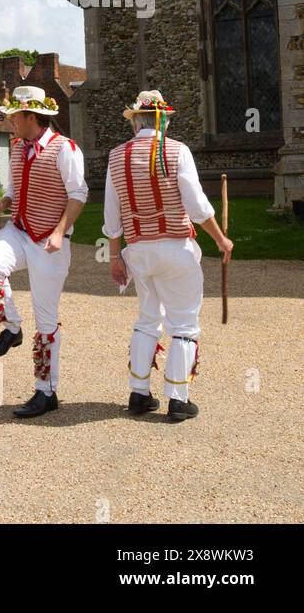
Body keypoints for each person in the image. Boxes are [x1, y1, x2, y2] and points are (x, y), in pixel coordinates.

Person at [104, 91, 233, 422]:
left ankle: (138, 392)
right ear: (163, 121)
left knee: (148, 318)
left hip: (138, 252)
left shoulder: (116, 156)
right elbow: (197, 205)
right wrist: (220, 239)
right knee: (184, 322)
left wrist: (116, 257)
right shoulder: (178, 151)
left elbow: (111, 215)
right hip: (175, 247)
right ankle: (178, 397)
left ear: (136, 122)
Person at [0, 86, 87, 419]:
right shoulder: (16, 147)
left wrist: (58, 232)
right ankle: (12, 328)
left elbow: (79, 194)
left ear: (30, 116)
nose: (9, 120)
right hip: (20, 229)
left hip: (50, 242)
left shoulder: (65, 149)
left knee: (47, 318)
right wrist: (4, 203)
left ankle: (46, 392)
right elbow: (13, 189)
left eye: (13, 115)